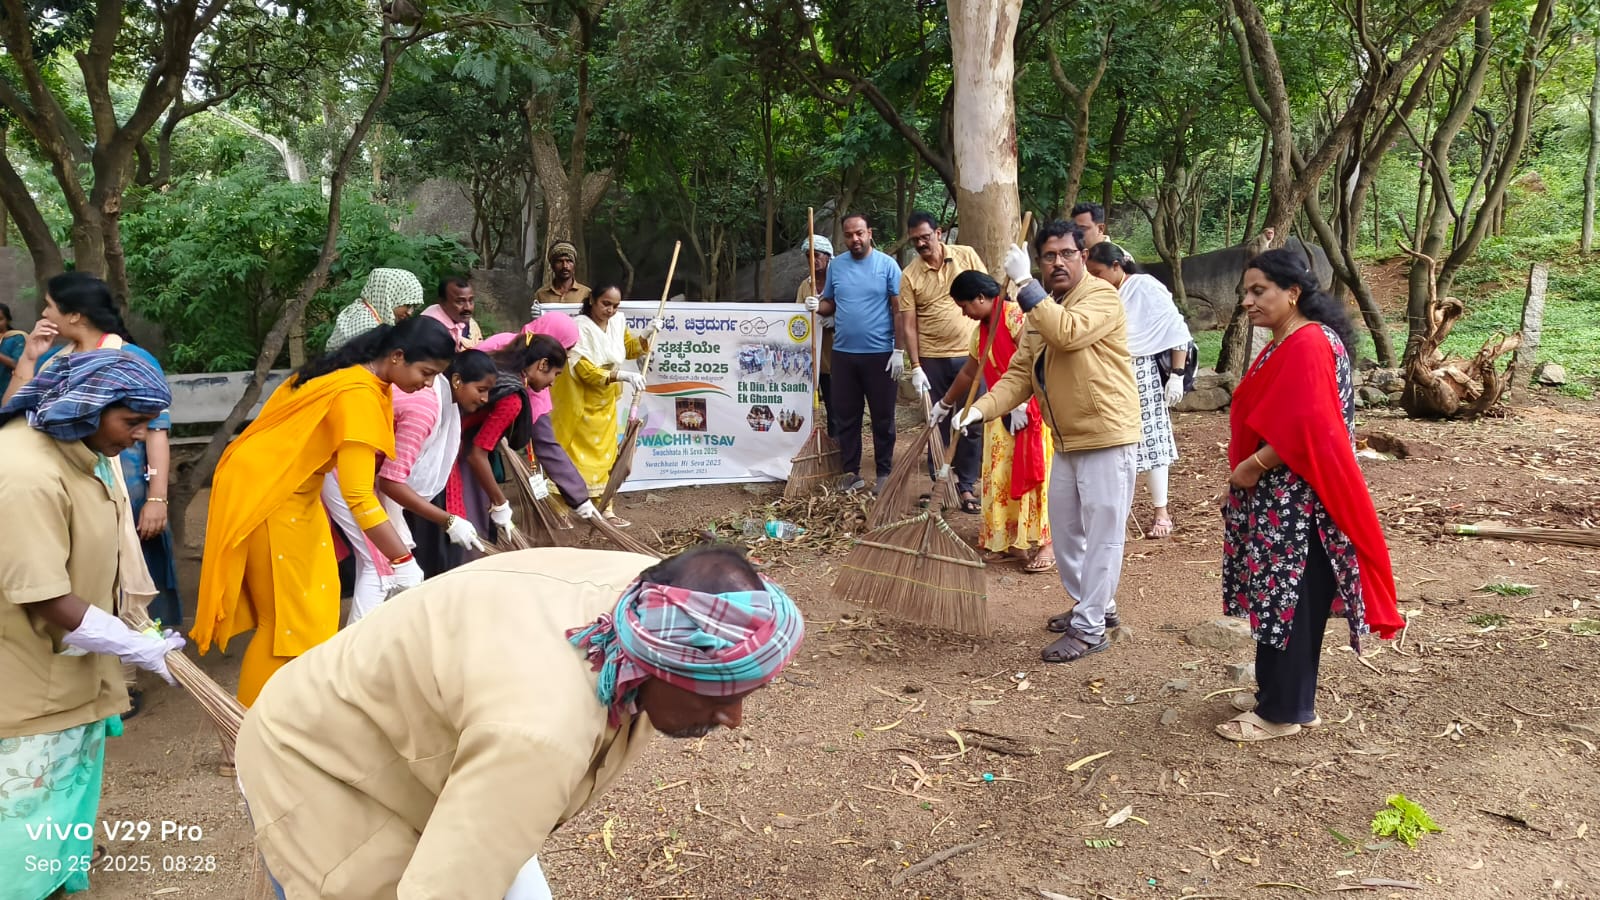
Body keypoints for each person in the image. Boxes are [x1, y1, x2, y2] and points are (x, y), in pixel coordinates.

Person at [235, 544, 804, 899]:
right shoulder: (541, 730)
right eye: (716, 698)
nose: (733, 718)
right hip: (319, 761)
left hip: (420, 736)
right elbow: (444, 892)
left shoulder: (656, 601)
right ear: (657, 666)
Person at [192, 316, 456, 705]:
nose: (428, 384)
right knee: (283, 623)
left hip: (296, 492)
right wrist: (401, 560)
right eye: (426, 372)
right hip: (271, 495)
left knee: (316, 606)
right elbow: (361, 498)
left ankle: (294, 715)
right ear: (397, 357)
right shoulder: (358, 395)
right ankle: (244, 737)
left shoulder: (354, 375)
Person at [0, 349, 184, 899]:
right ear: (90, 405)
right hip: (28, 679)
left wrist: (131, 629)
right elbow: (45, 597)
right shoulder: (25, 475)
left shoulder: (82, 452)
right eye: (131, 422)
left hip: (70, 670)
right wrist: (130, 644)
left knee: (61, 793)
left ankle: (49, 878)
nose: (138, 437)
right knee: (24, 806)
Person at [1216, 249, 1403, 742]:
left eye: (1259, 291)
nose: (1248, 301)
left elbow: (1311, 428)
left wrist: (1253, 466)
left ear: (1292, 293)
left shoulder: (1308, 343)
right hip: (1282, 497)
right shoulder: (1290, 339)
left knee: (1292, 600)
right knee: (1278, 598)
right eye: (1245, 291)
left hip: (1299, 501)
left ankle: (1286, 712)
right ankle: (1274, 693)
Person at [954, 221, 1139, 663]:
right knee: (1068, 530)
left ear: (1082, 256)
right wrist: (979, 409)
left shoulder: (1100, 296)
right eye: (1048, 256)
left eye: (1066, 254)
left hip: (1105, 434)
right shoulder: (1042, 309)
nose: (1058, 262)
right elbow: (1019, 373)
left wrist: (1025, 285)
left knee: (1102, 535)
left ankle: (1090, 627)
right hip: (1066, 437)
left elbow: (1069, 333)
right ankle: (1095, 606)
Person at [324, 344, 497, 625]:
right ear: (456, 381)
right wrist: (449, 520)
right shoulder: (425, 409)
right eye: (481, 389)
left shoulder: (441, 401)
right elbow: (392, 482)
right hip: (346, 475)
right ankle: (350, 654)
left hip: (366, 478)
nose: (485, 398)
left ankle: (383, 639)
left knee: (402, 569)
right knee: (380, 568)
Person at [932, 270, 1054, 572]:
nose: (964, 313)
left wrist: (1023, 402)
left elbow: (1035, 358)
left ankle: (1047, 543)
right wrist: (946, 403)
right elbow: (970, 372)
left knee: (1036, 477)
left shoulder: (1015, 317)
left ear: (981, 298)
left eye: (965, 305)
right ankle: (1008, 541)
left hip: (1029, 411)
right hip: (999, 412)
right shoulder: (981, 332)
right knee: (999, 477)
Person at [1086, 242, 1192, 538]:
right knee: (1115, 442)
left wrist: (1177, 374)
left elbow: (1175, 328)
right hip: (1107, 373)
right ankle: (1117, 512)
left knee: (1152, 438)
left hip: (1142, 372)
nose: (1094, 278)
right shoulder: (1098, 293)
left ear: (1117, 266)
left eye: (1098, 272)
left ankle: (1161, 511)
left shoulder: (1145, 286)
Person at [442, 335, 571, 561]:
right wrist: (500, 503)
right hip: (445, 455)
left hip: (438, 443)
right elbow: (476, 455)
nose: (552, 382)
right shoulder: (512, 398)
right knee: (457, 542)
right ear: (542, 365)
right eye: (556, 374)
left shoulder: (497, 367)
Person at [804, 213, 905, 494]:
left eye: (859, 233)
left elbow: (899, 310)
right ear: (844, 238)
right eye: (849, 235)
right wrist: (817, 305)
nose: (855, 239)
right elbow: (830, 305)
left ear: (869, 232)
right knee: (847, 415)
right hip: (843, 354)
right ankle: (852, 472)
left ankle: (884, 472)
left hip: (880, 353)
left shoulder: (887, 265)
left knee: (883, 417)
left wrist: (899, 350)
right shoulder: (837, 267)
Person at [551, 286, 661, 527]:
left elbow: (630, 350)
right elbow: (583, 370)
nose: (610, 310)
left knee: (606, 456)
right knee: (571, 455)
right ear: (592, 300)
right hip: (580, 403)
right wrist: (623, 376)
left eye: (615, 305)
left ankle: (605, 508)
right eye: (605, 304)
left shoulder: (617, 322)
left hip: (606, 402)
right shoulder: (578, 326)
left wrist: (647, 333)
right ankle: (559, 509)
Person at [899, 211, 986, 512]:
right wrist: (916, 366)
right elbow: (909, 324)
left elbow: (988, 295)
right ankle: (941, 484)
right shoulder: (910, 274)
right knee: (936, 422)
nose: (921, 243)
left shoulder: (967, 255)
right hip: (932, 359)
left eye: (925, 236)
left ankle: (966, 486)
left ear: (939, 232)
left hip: (971, 354)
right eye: (915, 240)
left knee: (971, 422)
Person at [324, 268, 424, 353]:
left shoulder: (359, 309)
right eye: (407, 305)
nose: (410, 312)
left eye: (414, 307)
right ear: (387, 296)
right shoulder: (369, 328)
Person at [797, 234, 837, 438]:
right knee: (807, 408)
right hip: (811, 359)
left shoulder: (839, 282)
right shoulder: (806, 286)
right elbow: (796, 319)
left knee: (835, 407)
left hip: (835, 357)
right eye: (808, 256)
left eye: (818, 255)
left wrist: (835, 320)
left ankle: (837, 449)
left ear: (829, 256)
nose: (813, 260)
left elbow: (852, 309)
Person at [421, 275, 483, 350]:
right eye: (460, 302)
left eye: (471, 300)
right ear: (442, 302)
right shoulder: (430, 328)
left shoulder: (467, 322)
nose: (468, 307)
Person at [533, 240, 592, 319]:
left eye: (569, 261)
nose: (565, 266)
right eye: (559, 261)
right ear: (552, 265)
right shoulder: (541, 294)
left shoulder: (586, 293)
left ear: (574, 265)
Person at [0, 301, 26, 397]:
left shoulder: (17, 338)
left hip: (6, 390)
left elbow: (18, 364)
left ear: (8, 320)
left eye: (0, 319)